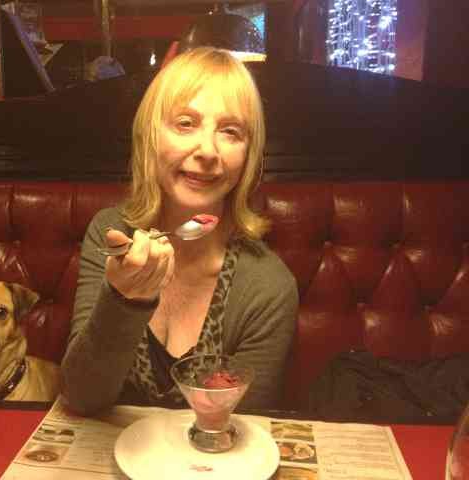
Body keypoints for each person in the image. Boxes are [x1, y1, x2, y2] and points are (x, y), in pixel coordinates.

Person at [61, 47, 298, 416]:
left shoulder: (268, 285)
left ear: (248, 155)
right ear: (150, 137)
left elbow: (244, 427)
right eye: (186, 123)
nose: (207, 150)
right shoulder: (110, 234)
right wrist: (124, 300)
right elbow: (82, 396)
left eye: (230, 131)